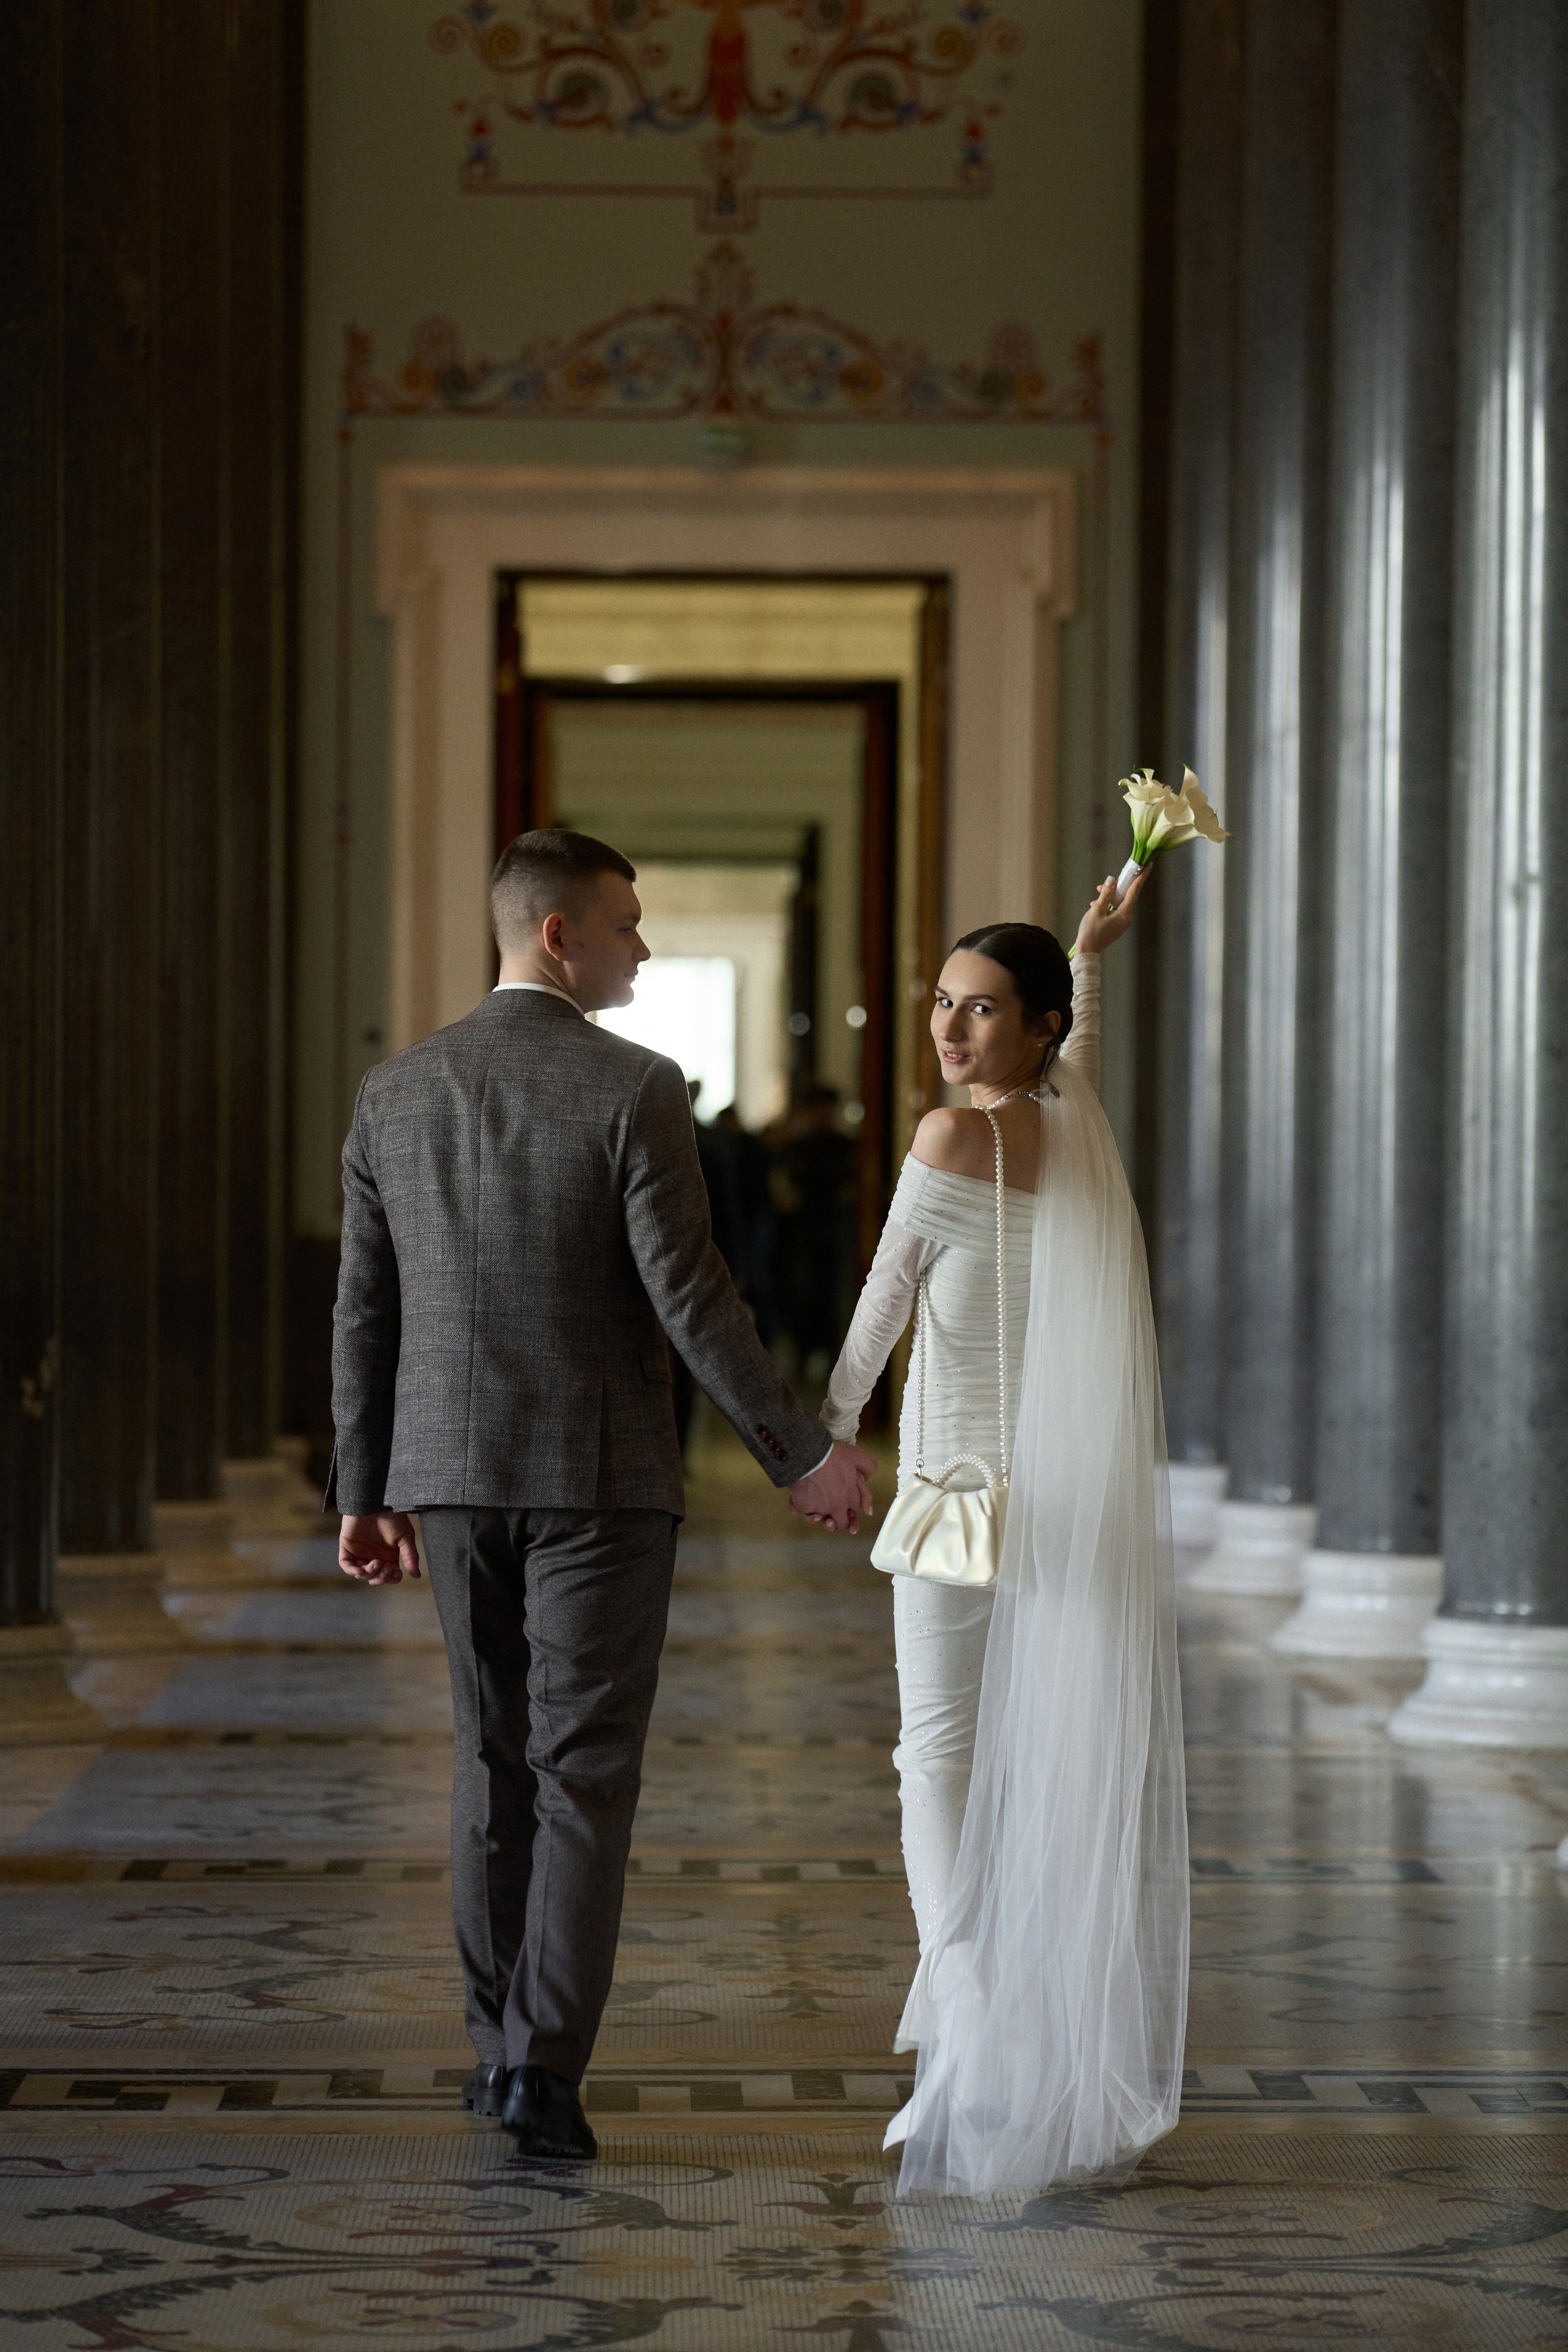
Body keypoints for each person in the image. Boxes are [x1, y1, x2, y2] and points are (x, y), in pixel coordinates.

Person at [328, 828, 875, 2162]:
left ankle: (494, 2050)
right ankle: (541, 2068)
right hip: (601, 1479)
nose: (640, 944)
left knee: (489, 1760)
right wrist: (799, 1452)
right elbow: (693, 1295)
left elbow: (363, 1311)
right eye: (625, 922)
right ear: (556, 934)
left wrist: (363, 1485)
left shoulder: (395, 1092)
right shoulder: (637, 1087)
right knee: (582, 1772)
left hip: (447, 1477)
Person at [821, 875, 1188, 2195]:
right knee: (1046, 1767)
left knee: (936, 1761)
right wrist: (1087, 953)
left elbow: (880, 1309)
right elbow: (1076, 1047)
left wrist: (819, 1439)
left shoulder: (948, 1138)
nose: (949, 1028)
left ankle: (972, 2019)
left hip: (956, 1503)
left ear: (1034, 1027)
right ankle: (1038, 2045)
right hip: (1070, 1508)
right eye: (941, 1004)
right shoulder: (1072, 1124)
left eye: (980, 1010)